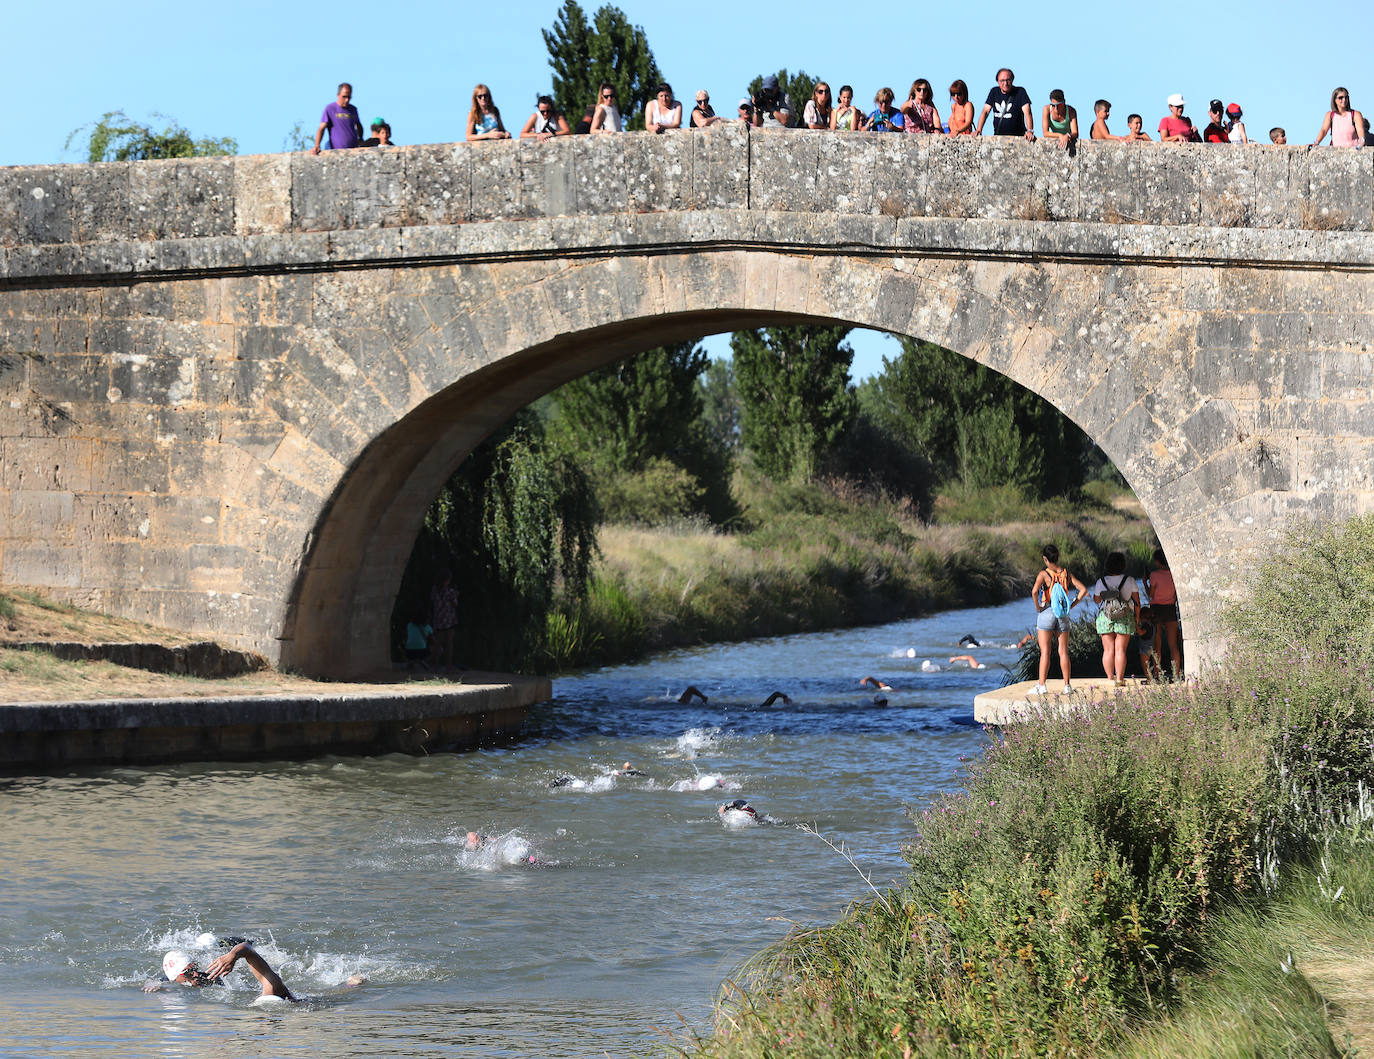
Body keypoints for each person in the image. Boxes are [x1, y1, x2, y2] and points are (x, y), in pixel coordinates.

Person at [1029, 543, 1088, 695]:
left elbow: (1035, 591)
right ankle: (1067, 686)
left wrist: (1037, 608)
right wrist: (1071, 605)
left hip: (1047, 611)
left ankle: (1041, 686)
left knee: (1045, 652)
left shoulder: (1044, 574)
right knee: (1063, 651)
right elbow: (1083, 590)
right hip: (1063, 614)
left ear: (1045, 558)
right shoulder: (1066, 574)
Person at [148, 942, 296, 1000]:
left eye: (194, 969)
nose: (195, 974)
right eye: (187, 973)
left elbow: (248, 949)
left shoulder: (271, 988)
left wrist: (232, 955)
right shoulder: (270, 988)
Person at [1091, 551, 1140, 687]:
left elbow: (1096, 600)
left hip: (1105, 616)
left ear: (1107, 565)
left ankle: (1109, 678)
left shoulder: (1101, 581)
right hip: (1125, 616)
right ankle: (1120, 679)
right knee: (1120, 650)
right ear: (1123, 565)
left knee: (1108, 650)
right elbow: (1137, 602)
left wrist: (1106, 593)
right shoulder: (1129, 580)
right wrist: (1137, 618)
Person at [1146, 548, 1182, 677]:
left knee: (1157, 643)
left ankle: (1157, 673)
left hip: (1156, 609)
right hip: (1170, 608)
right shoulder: (1174, 573)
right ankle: (1177, 674)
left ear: (1156, 561)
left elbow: (1151, 594)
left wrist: (1145, 582)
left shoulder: (1154, 575)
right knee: (1173, 644)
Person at [975, 68, 1034, 141]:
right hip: (998, 136)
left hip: (1018, 137)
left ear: (1012, 80)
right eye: (1002, 80)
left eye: (1008, 80)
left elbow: (1027, 112)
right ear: (998, 81)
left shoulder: (1020, 92)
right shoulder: (994, 92)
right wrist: (979, 129)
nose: (1005, 83)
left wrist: (1030, 131)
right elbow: (985, 111)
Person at [312, 83, 364, 155]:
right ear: (338, 95)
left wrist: (360, 139)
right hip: (336, 151)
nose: (346, 100)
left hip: (353, 150)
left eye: (349, 97)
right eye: (344, 97)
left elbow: (358, 125)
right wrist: (317, 145)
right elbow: (321, 128)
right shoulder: (330, 108)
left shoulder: (353, 109)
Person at [429, 568, 459, 669]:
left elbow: (433, 601)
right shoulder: (450, 591)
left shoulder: (434, 590)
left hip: (438, 618)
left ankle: (435, 664)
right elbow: (455, 604)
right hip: (449, 619)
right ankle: (448, 665)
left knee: (438, 642)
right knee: (449, 643)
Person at [1135, 604, 1162, 682]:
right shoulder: (1153, 625)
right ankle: (1155, 676)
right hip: (1151, 646)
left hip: (1145, 647)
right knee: (1150, 662)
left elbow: (1141, 633)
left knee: (1145, 664)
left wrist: (1137, 627)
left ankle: (1149, 678)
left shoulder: (1146, 625)